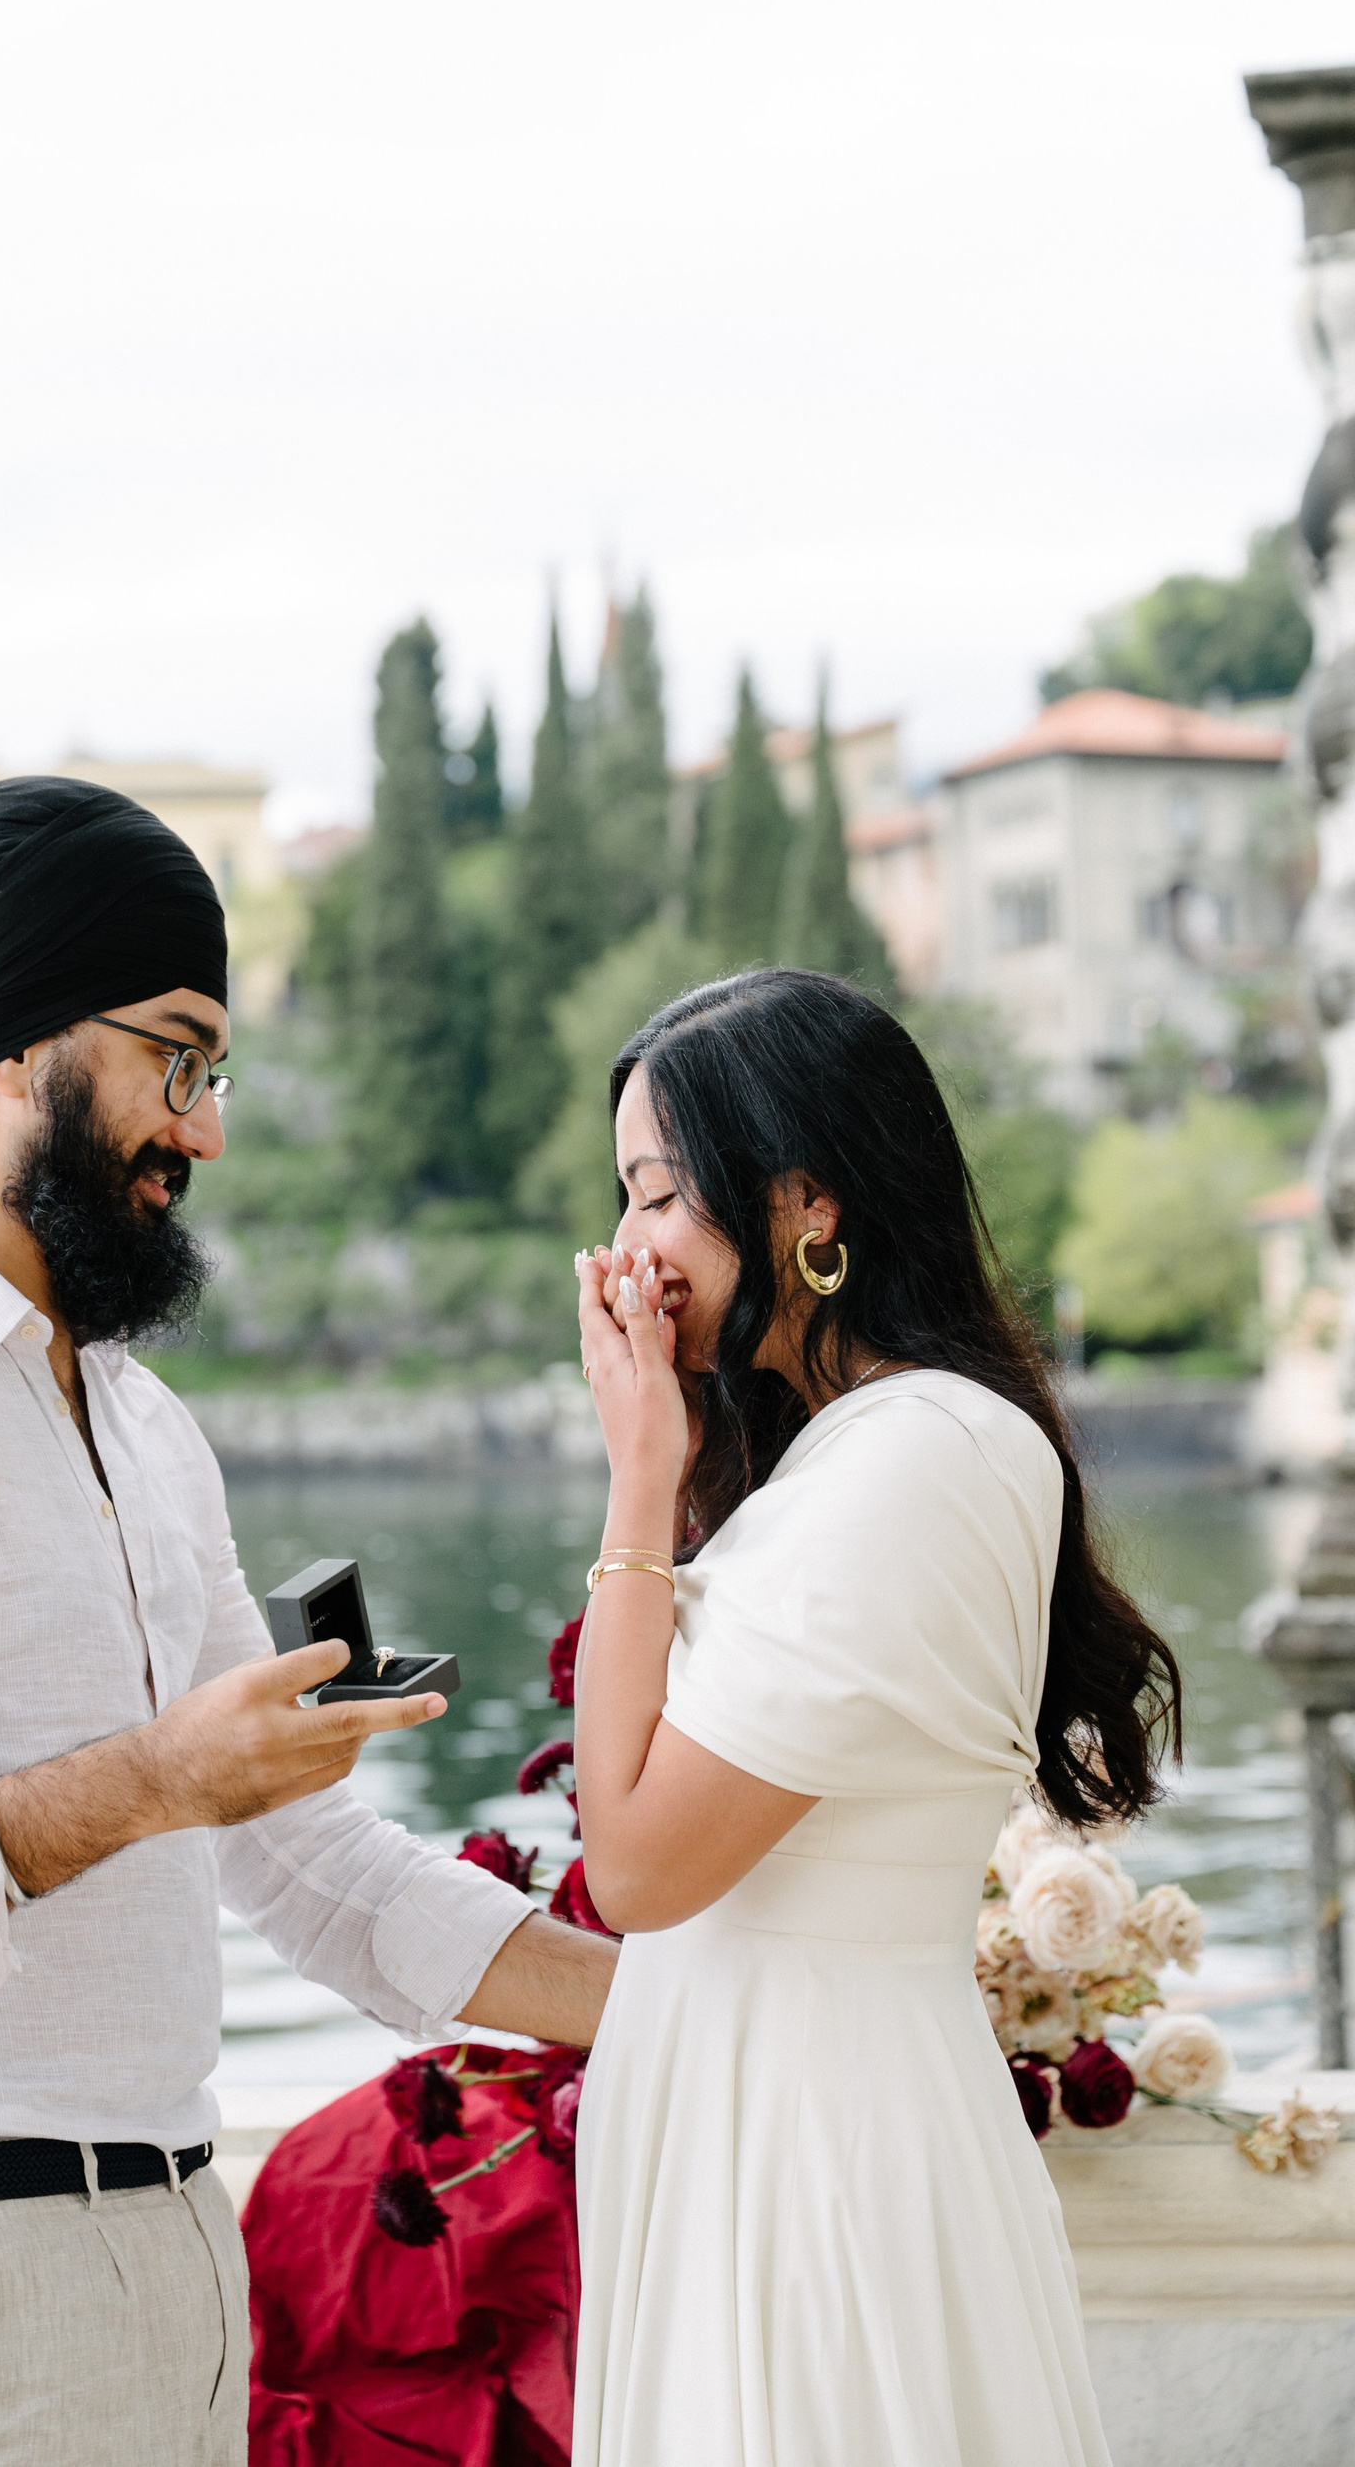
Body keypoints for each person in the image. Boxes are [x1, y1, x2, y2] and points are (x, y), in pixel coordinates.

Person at [0, 775, 615, 2467]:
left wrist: (696, 2005)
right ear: (19, 1046)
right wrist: (156, 1778)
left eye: (215, 1072)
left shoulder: (145, 1425)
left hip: (164, 2259)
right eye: (175, 1059)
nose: (204, 1129)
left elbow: (312, 1864)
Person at [565, 967, 1179, 2467]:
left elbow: (634, 1866)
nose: (631, 1247)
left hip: (814, 2148)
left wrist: (638, 1477)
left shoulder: (918, 1458)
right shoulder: (857, 1453)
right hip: (766, 2114)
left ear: (805, 1202)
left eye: (662, 1193)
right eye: (626, 1197)